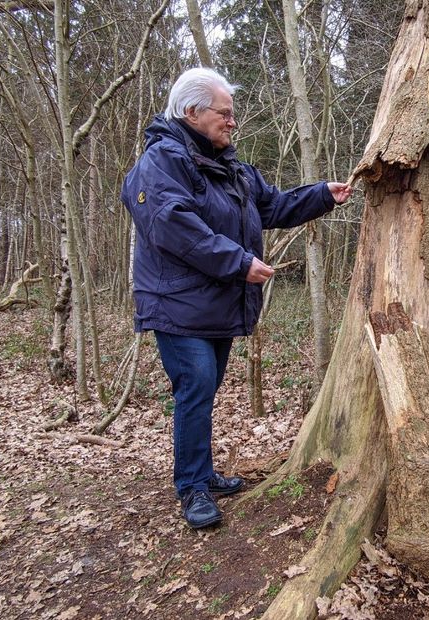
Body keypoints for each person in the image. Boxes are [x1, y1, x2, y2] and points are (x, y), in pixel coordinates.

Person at [120, 67, 352, 529]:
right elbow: (174, 226)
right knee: (197, 385)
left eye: (232, 114)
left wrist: (322, 196)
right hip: (176, 304)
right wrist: (238, 262)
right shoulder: (161, 161)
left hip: (216, 304)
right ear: (192, 112)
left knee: (203, 389)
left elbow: (273, 207)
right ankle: (191, 488)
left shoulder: (232, 168)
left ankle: (202, 473)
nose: (232, 122)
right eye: (224, 114)